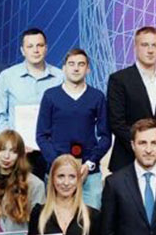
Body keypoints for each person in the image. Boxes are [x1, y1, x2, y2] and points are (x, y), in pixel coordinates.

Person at [35, 48, 111, 208]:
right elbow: (41, 136)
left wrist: (90, 163)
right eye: (71, 64)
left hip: (89, 173)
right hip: (57, 172)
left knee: (92, 219)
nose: (76, 68)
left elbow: (105, 137)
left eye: (81, 64)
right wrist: (58, 163)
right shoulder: (50, 96)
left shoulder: (97, 97)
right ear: (63, 68)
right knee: (55, 219)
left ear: (88, 69)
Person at [106, 26, 156, 173]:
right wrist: (142, 148)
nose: (150, 50)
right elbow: (116, 122)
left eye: (155, 45)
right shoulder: (119, 79)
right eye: (145, 45)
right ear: (135, 48)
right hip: (127, 161)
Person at [0, 27, 63, 141]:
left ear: (46, 48)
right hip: (17, 146)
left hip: (52, 144)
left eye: (40, 45)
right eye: (30, 46)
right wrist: (11, 141)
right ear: (22, 50)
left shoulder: (60, 77)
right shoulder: (7, 76)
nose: (35, 50)